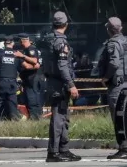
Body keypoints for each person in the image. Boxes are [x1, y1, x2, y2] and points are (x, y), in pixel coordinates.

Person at [98, 17, 127, 160]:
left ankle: (125, 149)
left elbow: (114, 63)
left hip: (118, 86)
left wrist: (106, 78)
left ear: (109, 30)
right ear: (120, 28)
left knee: (118, 117)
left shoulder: (113, 44)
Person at [42, 11, 81, 162]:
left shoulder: (49, 39)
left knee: (64, 118)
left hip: (55, 82)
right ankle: (53, 152)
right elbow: (63, 65)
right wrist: (71, 84)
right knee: (58, 118)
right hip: (60, 83)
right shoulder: (60, 42)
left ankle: (63, 149)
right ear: (66, 24)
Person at [0, 36, 22, 122]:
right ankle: (14, 120)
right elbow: (24, 67)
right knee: (12, 103)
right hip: (12, 82)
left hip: (1, 81)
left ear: (4, 43)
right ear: (13, 43)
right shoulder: (17, 54)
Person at [15, 33, 43, 120]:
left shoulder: (31, 49)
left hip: (33, 78)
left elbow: (35, 61)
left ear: (22, 40)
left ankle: (35, 117)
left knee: (32, 99)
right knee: (29, 99)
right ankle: (35, 117)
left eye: (19, 41)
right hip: (28, 79)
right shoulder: (26, 49)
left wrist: (22, 56)